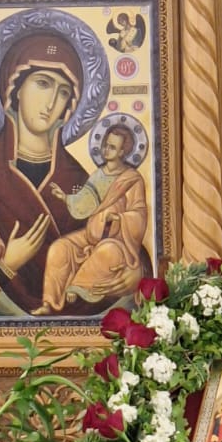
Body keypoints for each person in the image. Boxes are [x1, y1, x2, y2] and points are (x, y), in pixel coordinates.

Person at [0, 32, 93, 319]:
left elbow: (121, 248)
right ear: (16, 86)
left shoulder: (79, 182)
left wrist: (131, 275)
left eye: (63, 92)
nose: (51, 102)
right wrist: (7, 265)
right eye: (43, 84)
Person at [36, 122, 148, 314]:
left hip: (118, 240)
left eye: (112, 147)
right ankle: (49, 303)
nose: (106, 149)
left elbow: (139, 214)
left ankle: (77, 286)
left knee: (107, 252)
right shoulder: (98, 174)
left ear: (122, 152)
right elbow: (86, 200)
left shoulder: (132, 179)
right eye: (105, 144)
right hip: (91, 234)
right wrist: (66, 197)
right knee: (59, 247)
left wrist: (120, 218)